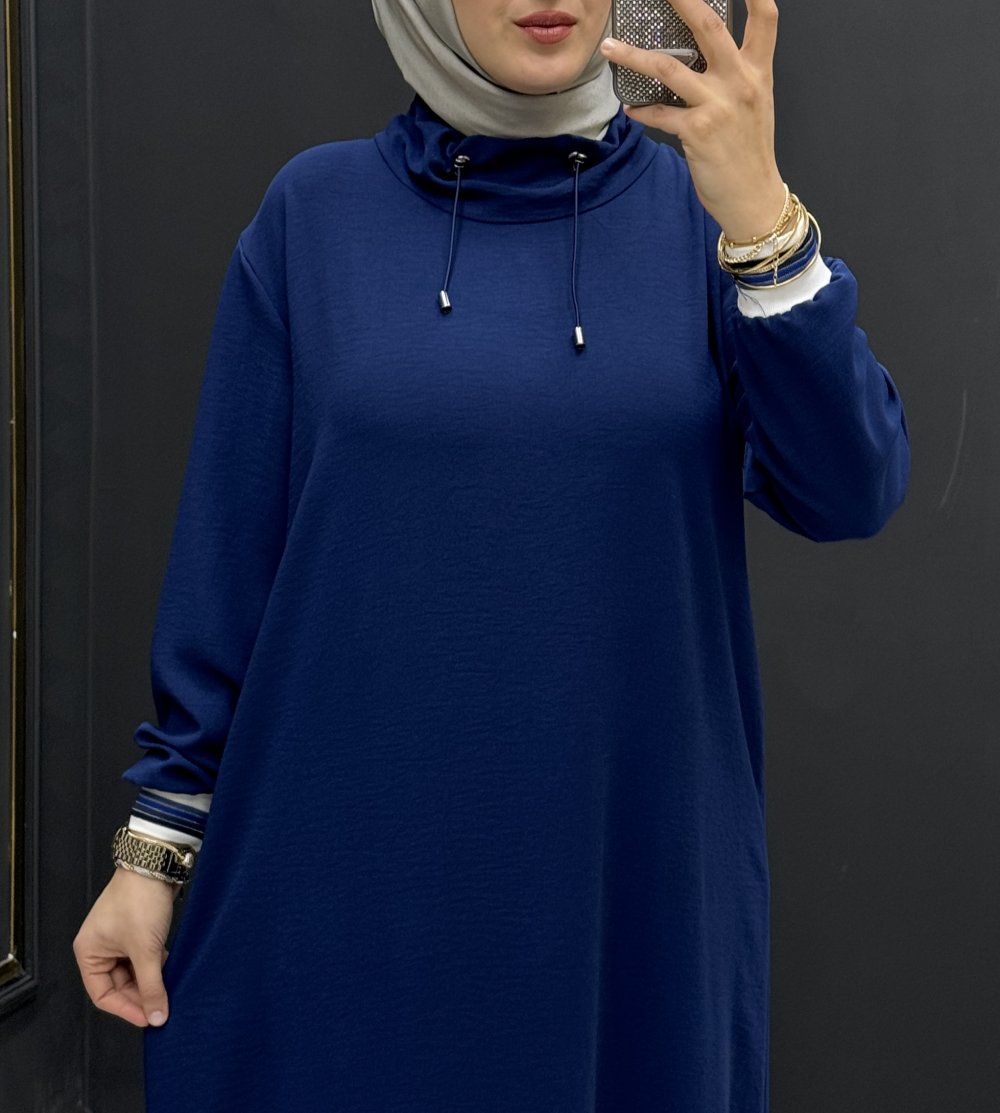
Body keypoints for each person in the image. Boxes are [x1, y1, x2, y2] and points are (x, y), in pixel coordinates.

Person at [73, 1, 910, 1109]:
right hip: (345, 866)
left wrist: (760, 217)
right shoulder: (313, 214)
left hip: (626, 875)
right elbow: (228, 561)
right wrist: (153, 852)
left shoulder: (703, 215)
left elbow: (849, 491)